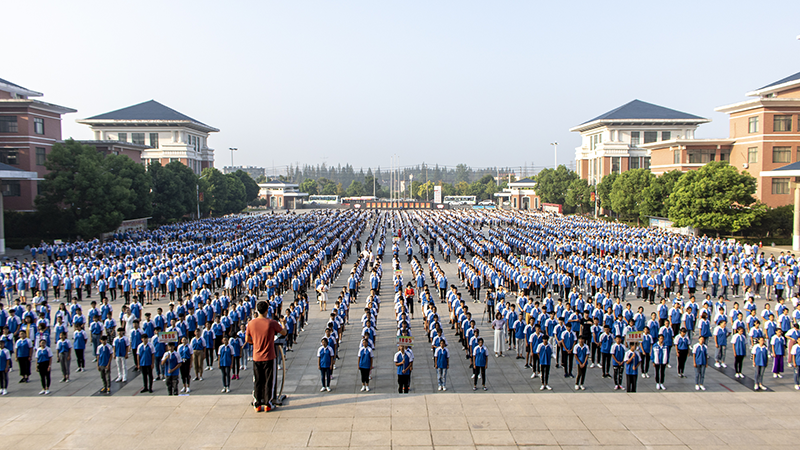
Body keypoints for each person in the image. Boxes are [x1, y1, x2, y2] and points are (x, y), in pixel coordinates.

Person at [246, 301, 286, 412]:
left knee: (257, 380)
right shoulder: (271, 323)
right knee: (269, 380)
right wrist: (283, 323)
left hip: (256, 356)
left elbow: (247, 339)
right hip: (269, 356)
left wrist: (256, 343)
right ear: (267, 310)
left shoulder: (251, 323)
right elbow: (283, 332)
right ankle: (268, 403)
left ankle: (257, 403)